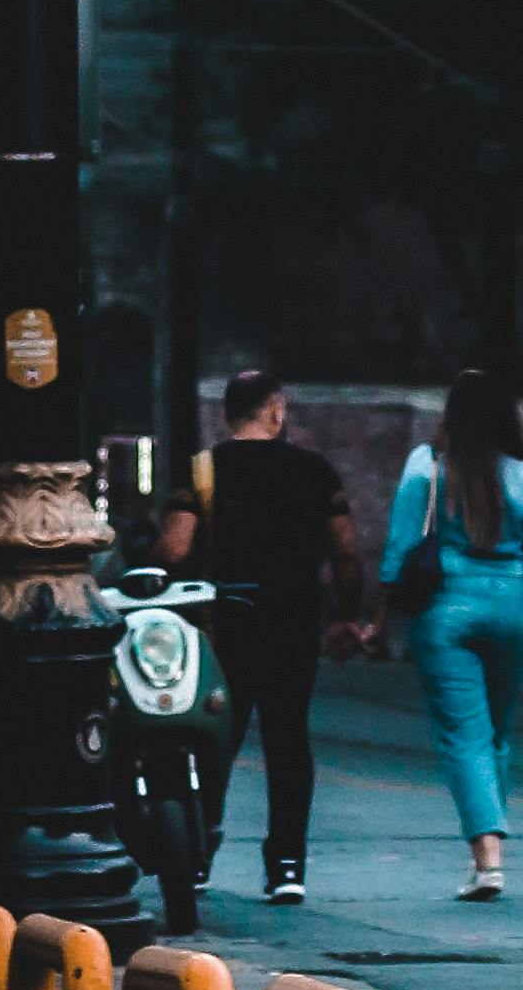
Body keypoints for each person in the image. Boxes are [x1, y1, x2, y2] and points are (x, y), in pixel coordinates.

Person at [155, 366, 367, 901]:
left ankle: (198, 853)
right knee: (288, 738)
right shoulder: (316, 472)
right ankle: (287, 867)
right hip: (293, 622)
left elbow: (174, 550)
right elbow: (345, 550)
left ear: (227, 415)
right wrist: (348, 614)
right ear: (277, 409)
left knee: (213, 738)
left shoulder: (202, 470)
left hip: (222, 622)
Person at [381, 371, 523, 897]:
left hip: (446, 614)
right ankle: (489, 855)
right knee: (496, 733)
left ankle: (488, 860)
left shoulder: (426, 466)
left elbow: (400, 549)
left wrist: (378, 620)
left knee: (463, 736)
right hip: (515, 615)